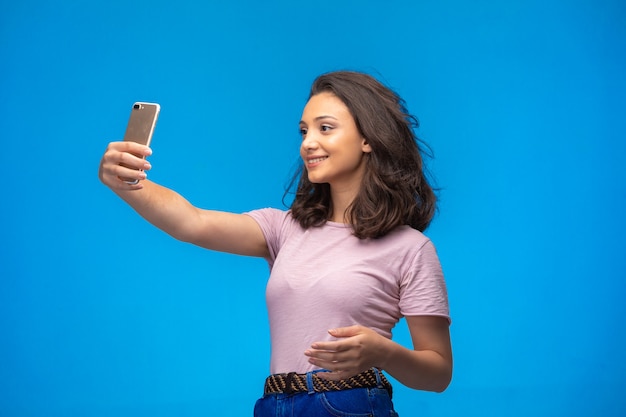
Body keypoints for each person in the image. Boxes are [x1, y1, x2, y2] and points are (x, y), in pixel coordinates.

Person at [99, 71, 452, 416]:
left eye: (324, 128)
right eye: (303, 130)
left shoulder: (411, 249)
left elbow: (437, 372)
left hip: (350, 404)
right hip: (275, 404)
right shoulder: (283, 228)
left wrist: (384, 353)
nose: (307, 142)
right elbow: (193, 222)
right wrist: (126, 183)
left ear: (367, 138)